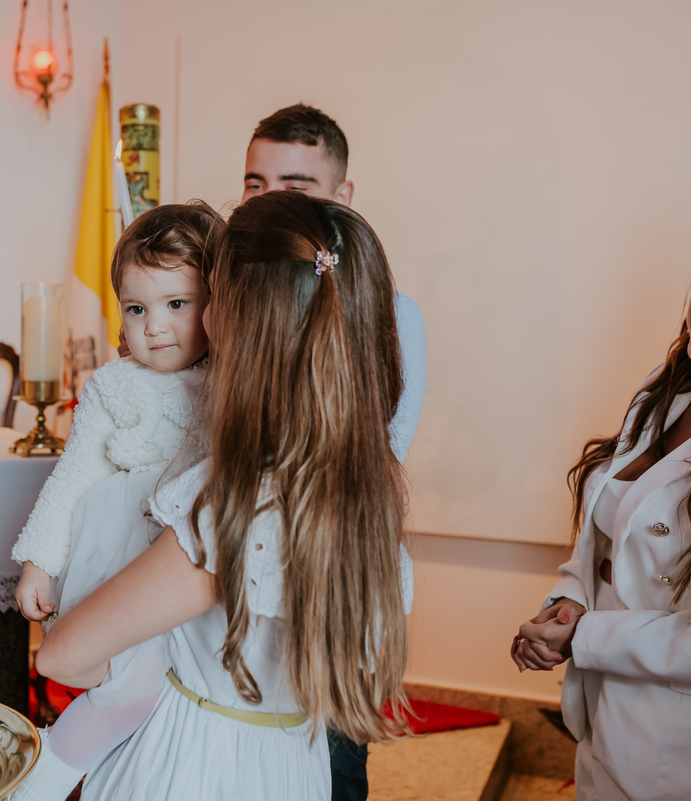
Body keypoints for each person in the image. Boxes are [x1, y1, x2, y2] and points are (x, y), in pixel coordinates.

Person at [37, 191, 414, 800]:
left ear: (238, 322)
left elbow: (64, 657)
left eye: (210, 298)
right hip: (295, 765)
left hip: (192, 766)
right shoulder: (371, 489)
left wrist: (133, 678)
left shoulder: (235, 503)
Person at [511, 216, 691, 800]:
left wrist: (587, 636)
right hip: (604, 729)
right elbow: (611, 541)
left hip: (689, 760)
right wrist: (569, 601)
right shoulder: (665, 391)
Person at [10, 202, 222, 800]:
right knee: (131, 690)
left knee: (172, 696)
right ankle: (46, 775)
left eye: (176, 304)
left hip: (194, 561)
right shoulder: (116, 385)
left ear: (217, 301)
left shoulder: (234, 380)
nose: (154, 327)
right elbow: (71, 477)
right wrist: (40, 560)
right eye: (136, 309)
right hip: (125, 554)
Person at [244, 102, 425, 799]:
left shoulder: (389, 312)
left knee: (332, 754)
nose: (267, 201)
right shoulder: (226, 296)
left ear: (342, 197)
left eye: (295, 185)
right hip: (230, 564)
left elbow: (381, 449)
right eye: (255, 184)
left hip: (326, 559)